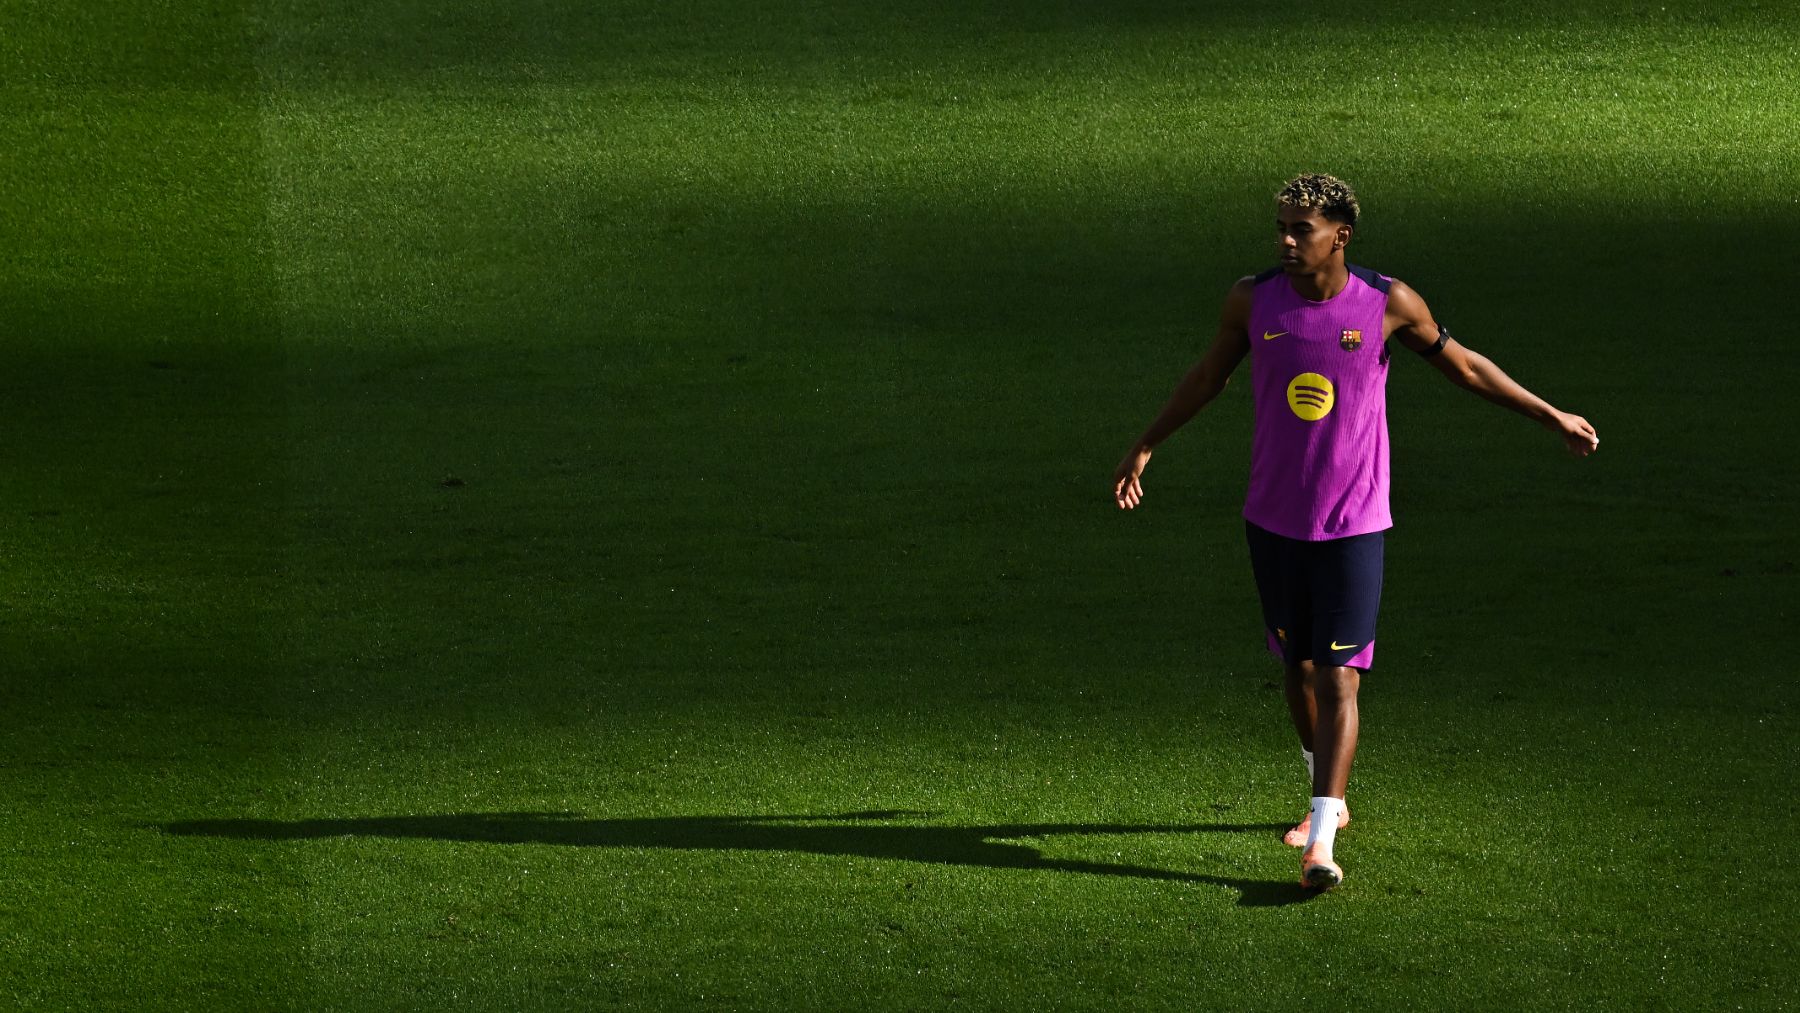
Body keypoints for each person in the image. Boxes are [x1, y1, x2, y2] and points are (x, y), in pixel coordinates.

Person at [1110, 173, 1598, 890]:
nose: (1284, 240)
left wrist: (1549, 412)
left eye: (1299, 229)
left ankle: (1323, 834)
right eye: (1279, 225)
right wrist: (1147, 442)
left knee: (1341, 674)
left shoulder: (1387, 302)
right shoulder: (1252, 300)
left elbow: (1463, 365)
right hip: (1272, 518)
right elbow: (1208, 376)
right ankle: (1323, 783)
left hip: (1354, 521)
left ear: (1340, 235)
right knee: (1297, 668)